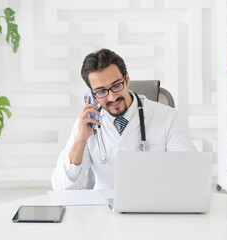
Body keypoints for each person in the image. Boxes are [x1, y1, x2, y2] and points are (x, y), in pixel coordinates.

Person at [51, 49, 196, 190]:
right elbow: (63, 187)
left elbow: (189, 175)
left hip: (152, 209)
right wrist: (81, 140)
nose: (112, 97)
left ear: (126, 79)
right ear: (92, 95)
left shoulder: (168, 118)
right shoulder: (86, 124)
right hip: (103, 211)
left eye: (116, 85)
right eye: (101, 91)